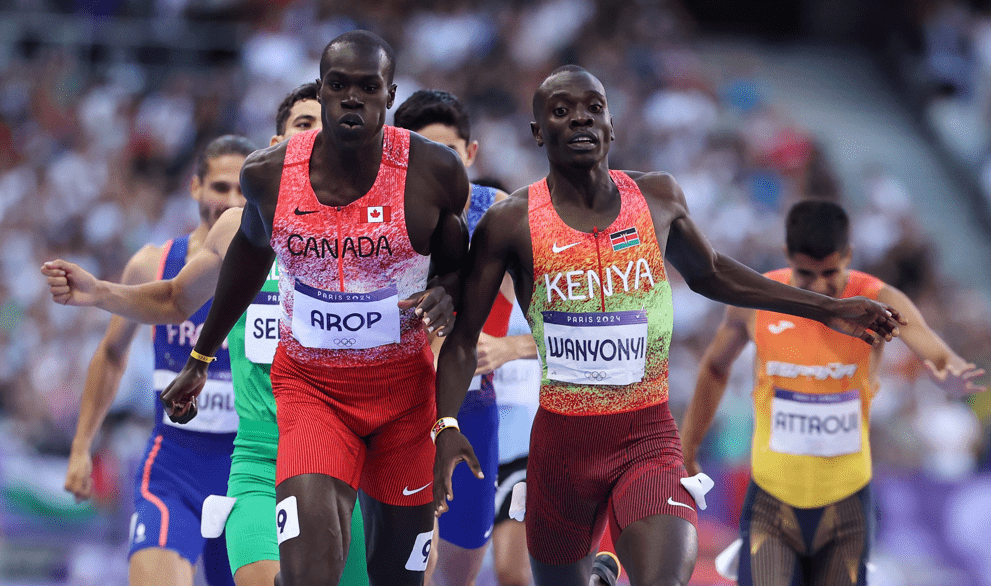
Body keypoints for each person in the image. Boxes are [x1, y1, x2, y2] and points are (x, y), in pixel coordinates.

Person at [430, 65, 906, 586]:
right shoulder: (512, 221)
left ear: (611, 125)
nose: (580, 119)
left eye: (593, 106)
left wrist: (827, 309)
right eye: (561, 111)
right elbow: (462, 340)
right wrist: (446, 426)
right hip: (562, 444)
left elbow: (713, 273)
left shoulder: (655, 198)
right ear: (538, 132)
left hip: (647, 434)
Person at [156, 31, 468, 586]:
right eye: (338, 85)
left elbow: (456, 265)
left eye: (367, 87)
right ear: (320, 93)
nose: (352, 98)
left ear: (389, 94)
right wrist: (200, 359)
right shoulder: (268, 174)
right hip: (312, 393)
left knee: (396, 579)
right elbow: (247, 262)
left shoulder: (433, 172)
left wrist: (448, 289)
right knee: (309, 575)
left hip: (402, 400)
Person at [42, 84, 370, 586]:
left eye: (239, 189)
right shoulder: (215, 239)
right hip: (210, 462)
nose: (230, 201)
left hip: (326, 455)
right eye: (303, 125)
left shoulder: (369, 234)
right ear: (278, 141)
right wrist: (100, 292)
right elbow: (157, 313)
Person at [679, 199, 988, 586]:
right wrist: (688, 448)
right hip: (772, 500)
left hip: (845, 504)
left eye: (831, 272)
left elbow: (935, 351)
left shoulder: (879, 300)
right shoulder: (758, 300)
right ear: (788, 256)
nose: (822, 286)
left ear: (849, 256)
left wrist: (949, 370)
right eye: (806, 275)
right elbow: (713, 366)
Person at [55, 134, 254, 586]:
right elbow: (111, 352)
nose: (232, 201)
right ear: (195, 188)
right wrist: (82, 445)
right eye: (220, 187)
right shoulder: (154, 264)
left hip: (251, 473)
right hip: (175, 470)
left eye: (244, 188)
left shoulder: (277, 271)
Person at [393, 89, 537, 586]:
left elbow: (567, 315)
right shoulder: (377, 213)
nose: (439, 167)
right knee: (415, 562)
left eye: (449, 154)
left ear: (471, 154)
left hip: (474, 410)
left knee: (459, 572)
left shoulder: (497, 213)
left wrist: (512, 346)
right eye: (423, 153)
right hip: (397, 410)